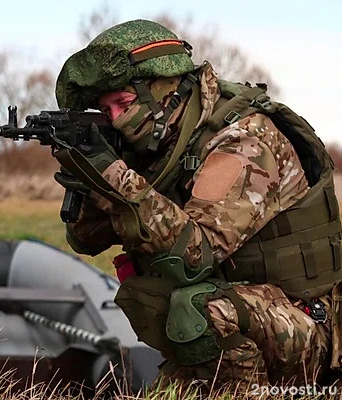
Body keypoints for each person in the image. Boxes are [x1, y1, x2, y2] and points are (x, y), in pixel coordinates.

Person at [52, 19, 342, 394]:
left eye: (123, 103)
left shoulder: (244, 139)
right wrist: (89, 176)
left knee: (198, 308)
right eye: (106, 111)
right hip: (236, 315)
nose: (118, 121)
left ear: (165, 88)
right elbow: (84, 240)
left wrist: (116, 178)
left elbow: (195, 255)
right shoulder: (160, 144)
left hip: (306, 326)